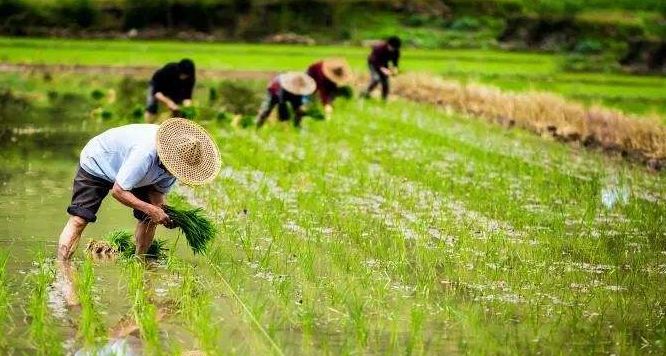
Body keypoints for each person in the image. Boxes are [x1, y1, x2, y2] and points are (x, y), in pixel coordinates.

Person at [57, 118, 221, 260]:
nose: (176, 172)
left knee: (150, 219)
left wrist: (162, 213)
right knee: (80, 219)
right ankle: (62, 269)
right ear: (167, 156)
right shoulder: (145, 153)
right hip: (99, 161)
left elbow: (157, 192)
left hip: (135, 174)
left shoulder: (178, 165)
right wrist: (150, 209)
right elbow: (118, 191)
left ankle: (139, 263)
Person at [363, 36, 401, 100]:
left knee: (386, 82)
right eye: (392, 48)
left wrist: (395, 69)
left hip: (383, 64)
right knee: (376, 79)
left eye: (395, 49)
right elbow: (374, 61)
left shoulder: (396, 51)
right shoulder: (379, 48)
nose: (393, 50)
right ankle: (365, 93)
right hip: (373, 63)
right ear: (388, 44)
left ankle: (384, 100)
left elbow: (395, 62)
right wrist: (382, 69)